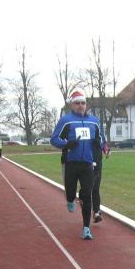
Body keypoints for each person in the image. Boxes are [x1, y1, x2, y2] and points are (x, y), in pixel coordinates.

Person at [50, 90, 107, 240]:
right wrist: (67, 144)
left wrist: (100, 144)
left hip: (88, 164)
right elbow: (54, 139)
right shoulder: (66, 120)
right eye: (77, 103)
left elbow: (101, 138)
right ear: (72, 105)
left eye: (83, 103)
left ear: (86, 105)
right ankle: (70, 200)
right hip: (71, 163)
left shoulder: (94, 121)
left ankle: (86, 229)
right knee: (70, 192)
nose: (80, 106)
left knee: (87, 195)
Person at [91, 116, 110, 223]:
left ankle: (96, 212)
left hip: (98, 161)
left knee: (96, 187)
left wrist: (106, 150)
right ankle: (84, 199)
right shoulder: (86, 130)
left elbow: (103, 143)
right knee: (89, 187)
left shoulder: (99, 130)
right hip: (86, 161)